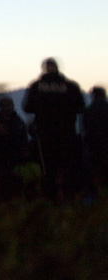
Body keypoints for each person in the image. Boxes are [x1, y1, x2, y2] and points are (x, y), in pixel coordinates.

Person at [24, 57, 85, 201]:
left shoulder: (37, 86)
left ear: (44, 69)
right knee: (68, 167)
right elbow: (81, 107)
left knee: (48, 169)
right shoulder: (70, 86)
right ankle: (70, 197)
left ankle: (50, 198)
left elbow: (27, 107)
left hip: (45, 136)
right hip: (67, 134)